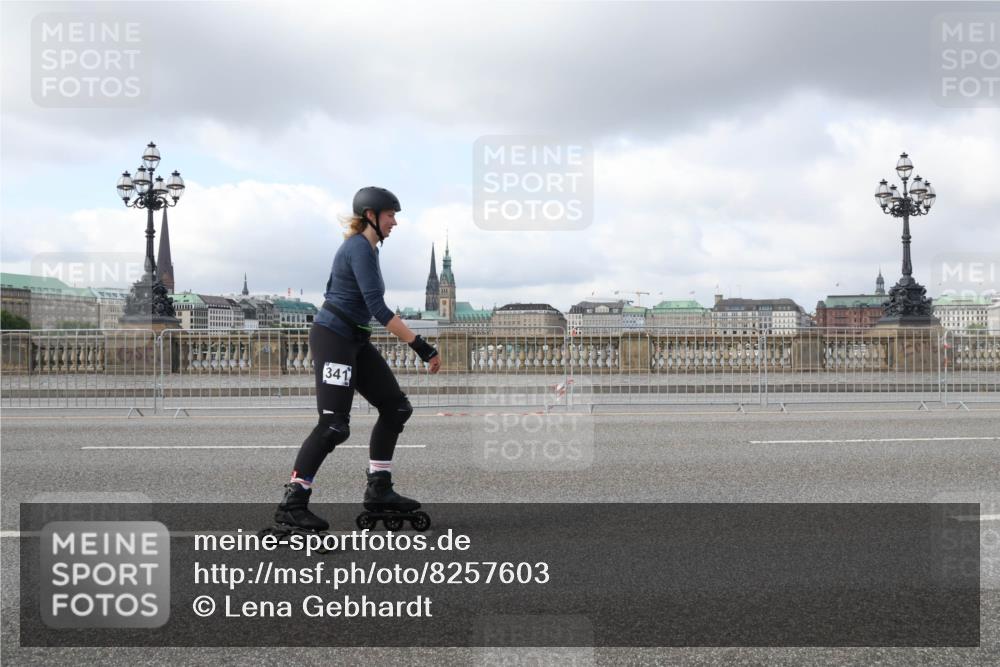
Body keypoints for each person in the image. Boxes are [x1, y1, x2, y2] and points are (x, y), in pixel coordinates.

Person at [273, 186, 441, 532]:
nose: (395, 222)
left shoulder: (367, 249)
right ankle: (293, 502)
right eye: (391, 215)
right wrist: (421, 346)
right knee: (334, 425)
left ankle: (379, 489)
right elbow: (378, 309)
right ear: (371, 216)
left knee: (396, 408)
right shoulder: (358, 249)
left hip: (355, 338)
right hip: (334, 337)